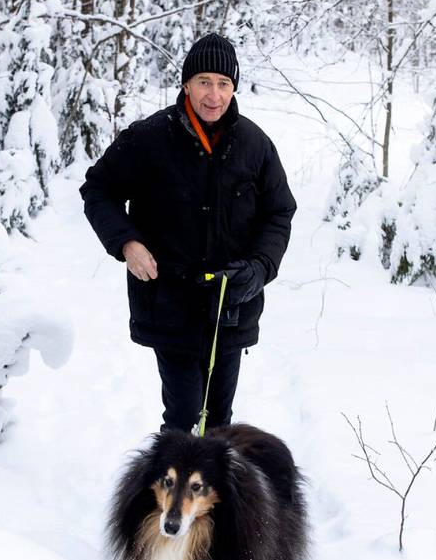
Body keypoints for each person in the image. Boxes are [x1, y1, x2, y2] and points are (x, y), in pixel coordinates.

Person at [80, 33, 296, 433]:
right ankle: (172, 494)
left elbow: (279, 212)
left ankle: (213, 496)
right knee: (182, 418)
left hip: (230, 306)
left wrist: (260, 266)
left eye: (223, 84)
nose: (213, 95)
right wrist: (128, 243)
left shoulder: (255, 144)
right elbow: (98, 189)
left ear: (233, 88)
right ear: (186, 84)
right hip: (169, 302)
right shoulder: (148, 139)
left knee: (218, 423)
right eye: (204, 82)